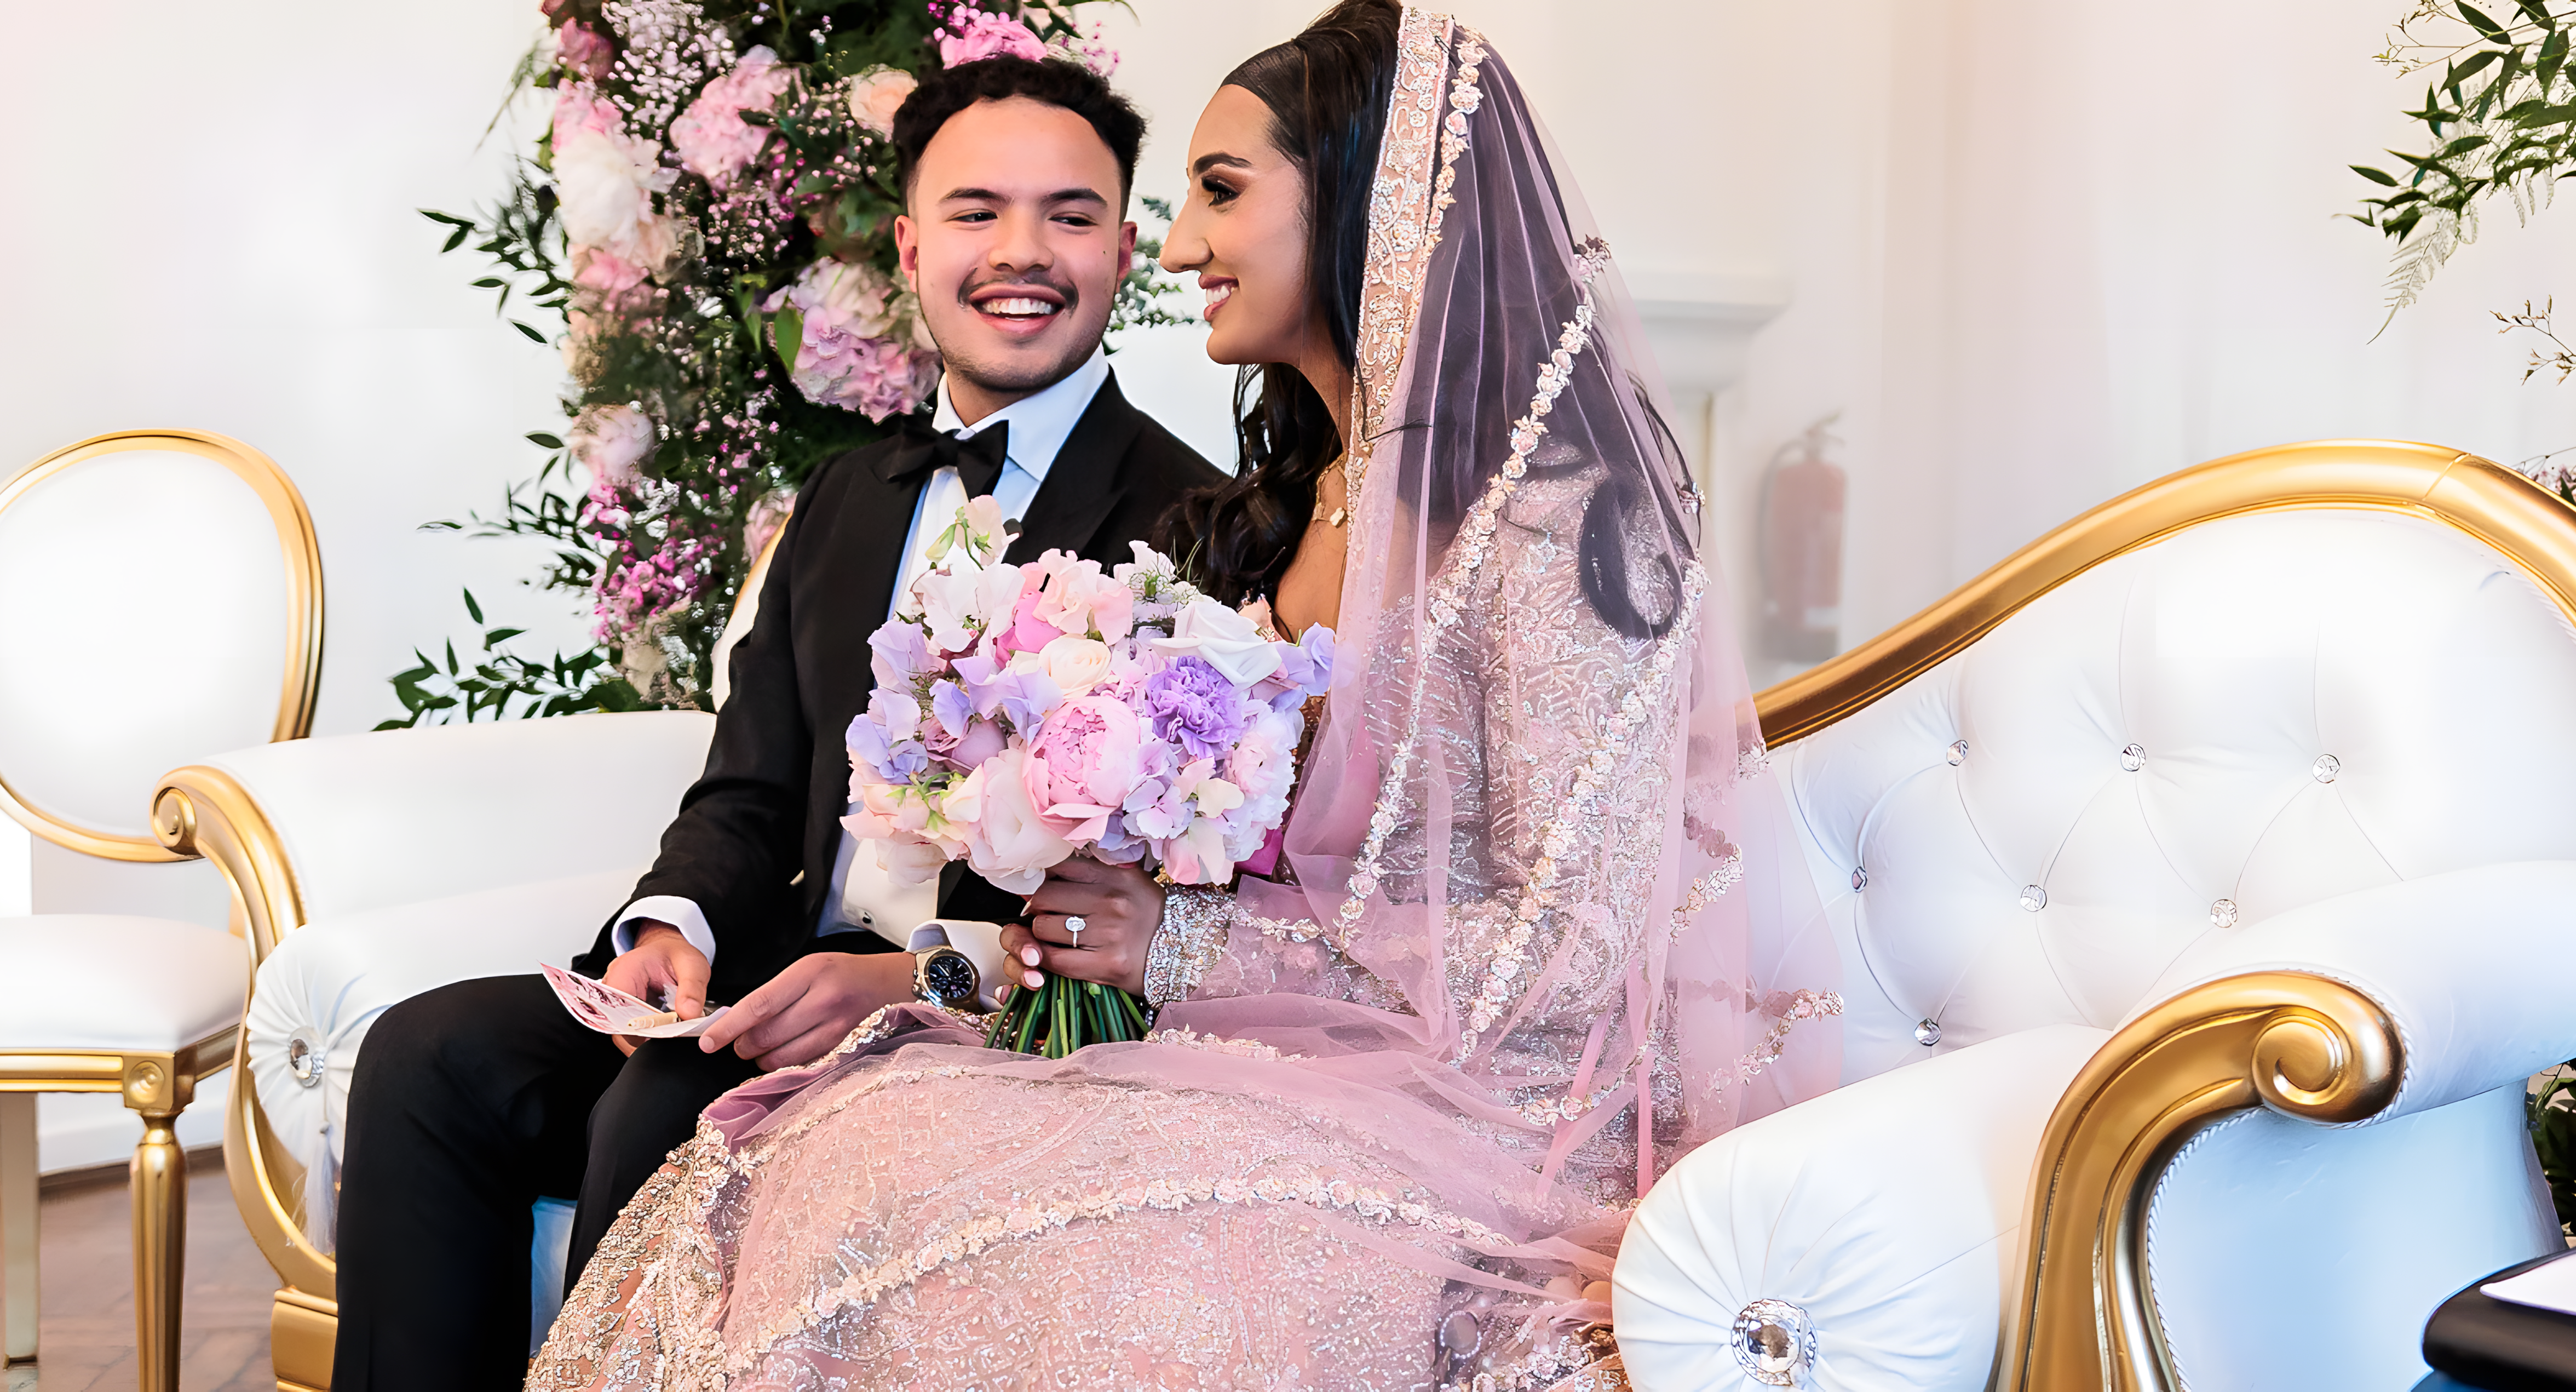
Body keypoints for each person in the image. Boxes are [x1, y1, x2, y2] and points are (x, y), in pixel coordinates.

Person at [526, 3, 1844, 1388]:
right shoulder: (1277, 516)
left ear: (1364, 205)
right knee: (839, 1151)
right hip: (1262, 1047)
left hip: (1492, 1101)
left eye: (1221, 192)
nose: (1175, 247)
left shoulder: (1559, 529)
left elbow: (1570, 957)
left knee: (961, 1203)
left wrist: (1182, 948)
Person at [330, 54, 1221, 1391]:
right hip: (772, 977)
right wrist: (669, 932)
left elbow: (1167, 898)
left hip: (986, 1022)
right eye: (977, 212)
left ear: (1127, 250)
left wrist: (918, 978)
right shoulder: (846, 495)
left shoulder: (1194, 527)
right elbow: (748, 791)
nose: (1021, 251)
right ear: (911, 247)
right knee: (425, 1056)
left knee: (663, 1109)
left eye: (1071, 214)